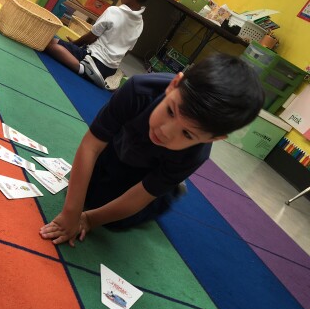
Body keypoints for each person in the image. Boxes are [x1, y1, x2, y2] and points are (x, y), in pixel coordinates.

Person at [39, 54, 264, 246]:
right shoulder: (138, 89)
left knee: (117, 219)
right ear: (174, 84)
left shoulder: (196, 154)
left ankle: (170, 189)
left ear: (215, 138)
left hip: (147, 169)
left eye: (187, 134)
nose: (166, 131)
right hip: (120, 148)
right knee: (81, 190)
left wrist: (87, 219)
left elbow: (139, 196)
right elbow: (91, 146)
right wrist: (71, 212)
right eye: (170, 111)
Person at [44, 0, 156, 89]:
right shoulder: (140, 23)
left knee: (51, 44)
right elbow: (127, 50)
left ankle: (82, 70)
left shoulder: (114, 11)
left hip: (93, 59)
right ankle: (95, 72)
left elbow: (91, 37)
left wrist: (74, 45)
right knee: (58, 44)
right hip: (110, 69)